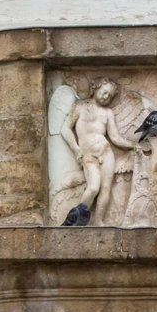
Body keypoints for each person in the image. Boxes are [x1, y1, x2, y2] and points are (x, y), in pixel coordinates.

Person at [62, 81, 135, 222]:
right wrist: (76, 149)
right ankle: (75, 221)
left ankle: (99, 221)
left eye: (110, 96)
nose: (106, 97)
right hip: (88, 154)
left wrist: (134, 145)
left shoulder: (108, 113)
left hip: (106, 153)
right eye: (104, 92)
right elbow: (65, 129)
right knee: (94, 187)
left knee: (106, 188)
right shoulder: (81, 106)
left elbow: (115, 137)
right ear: (96, 88)